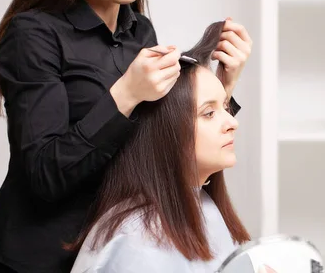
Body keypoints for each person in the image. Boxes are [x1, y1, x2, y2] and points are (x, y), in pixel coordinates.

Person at [0, 0, 253, 272]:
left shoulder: (139, 31)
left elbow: (159, 147)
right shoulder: (33, 36)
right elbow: (45, 176)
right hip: (41, 258)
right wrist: (125, 95)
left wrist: (224, 87)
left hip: (120, 247)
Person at [67, 21, 251, 273]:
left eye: (226, 108)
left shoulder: (202, 203)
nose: (232, 122)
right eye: (209, 113)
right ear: (168, 132)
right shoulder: (136, 241)